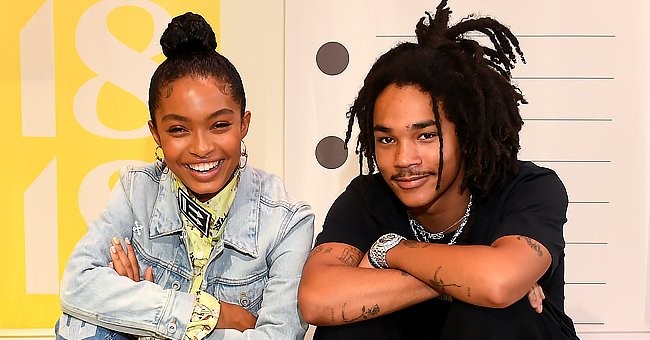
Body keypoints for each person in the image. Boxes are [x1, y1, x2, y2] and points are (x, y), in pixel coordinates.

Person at [298, 1, 579, 339]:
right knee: (346, 327)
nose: (404, 159)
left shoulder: (528, 187)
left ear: (465, 132)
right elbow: (316, 299)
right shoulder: (367, 198)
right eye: (386, 140)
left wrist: (390, 252)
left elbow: (497, 284)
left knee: (493, 313)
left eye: (426, 135)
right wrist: (465, 278)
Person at [55, 12, 314, 340]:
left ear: (243, 124)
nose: (202, 147)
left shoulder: (287, 221)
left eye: (220, 125)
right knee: (82, 325)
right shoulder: (137, 191)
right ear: (156, 133)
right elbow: (77, 285)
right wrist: (214, 314)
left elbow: (278, 337)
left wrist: (141, 315)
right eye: (178, 129)